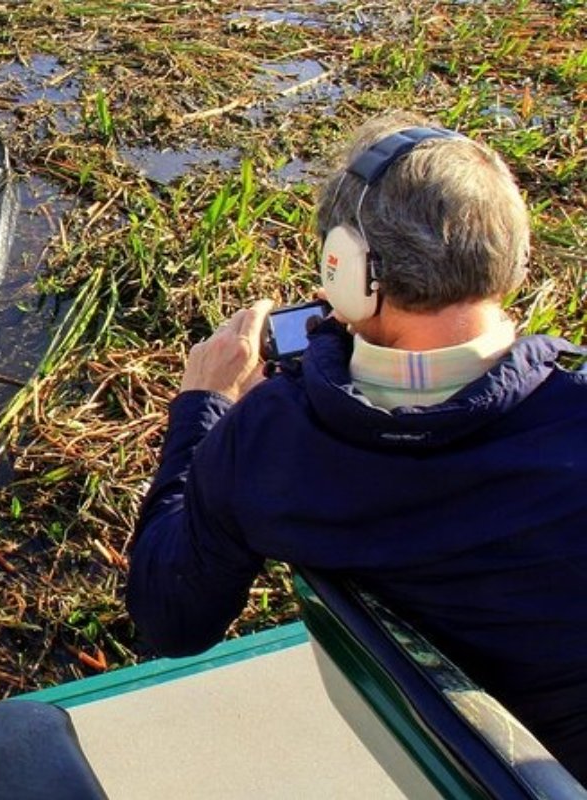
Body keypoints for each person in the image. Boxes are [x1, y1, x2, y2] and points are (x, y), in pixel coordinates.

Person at [125, 111, 587, 780]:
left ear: (346, 270)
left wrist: (206, 407)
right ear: (510, 252)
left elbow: (171, 617)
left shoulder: (267, 439)